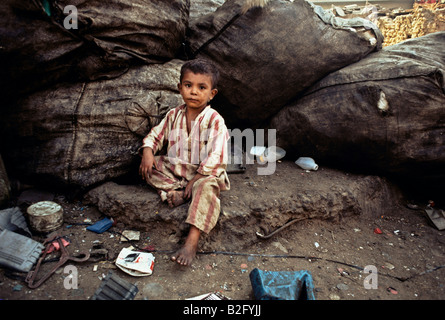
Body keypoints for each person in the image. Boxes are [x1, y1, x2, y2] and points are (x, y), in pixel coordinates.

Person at [138, 59, 230, 266]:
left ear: (211, 94)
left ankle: (192, 241)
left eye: (201, 87)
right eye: (188, 86)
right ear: (180, 88)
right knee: (148, 166)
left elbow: (218, 155)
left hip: (203, 174)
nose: (194, 92)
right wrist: (147, 150)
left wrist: (195, 179)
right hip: (177, 170)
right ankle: (181, 193)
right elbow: (156, 135)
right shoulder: (173, 114)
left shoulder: (215, 120)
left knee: (206, 187)